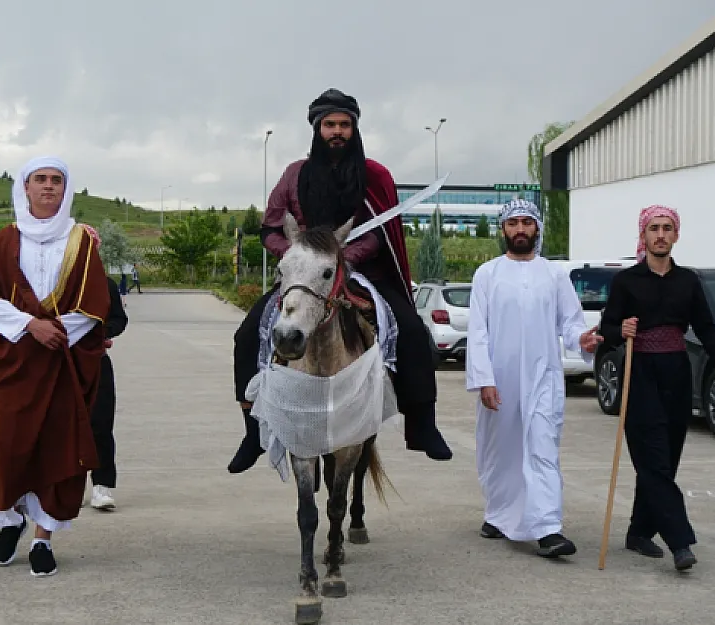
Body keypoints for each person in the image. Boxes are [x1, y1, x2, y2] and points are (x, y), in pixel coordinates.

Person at [227, 87, 452, 474]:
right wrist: (296, 256)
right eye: (329, 124)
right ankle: (252, 429)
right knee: (248, 334)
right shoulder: (294, 174)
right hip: (304, 272)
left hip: (361, 268)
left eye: (344, 125)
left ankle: (423, 424)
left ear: (355, 129)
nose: (337, 132)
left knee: (413, 330)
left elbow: (382, 234)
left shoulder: (375, 175)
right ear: (317, 129)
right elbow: (269, 229)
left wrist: (342, 258)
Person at [0, 156, 111, 577]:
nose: (48, 187)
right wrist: (31, 325)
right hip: (11, 362)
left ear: (65, 190)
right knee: (5, 446)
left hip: (61, 364)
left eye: (56, 180)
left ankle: (42, 538)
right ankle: (9, 519)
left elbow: (93, 303)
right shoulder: (2, 240)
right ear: (26, 187)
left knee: (56, 450)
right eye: (41, 180)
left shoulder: (81, 242)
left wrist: (57, 332)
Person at [598, 204, 715, 571]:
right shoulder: (627, 281)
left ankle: (639, 532)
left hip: (677, 371)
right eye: (653, 229)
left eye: (667, 228)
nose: (660, 235)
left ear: (676, 235)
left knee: (666, 459)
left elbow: (706, 327)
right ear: (643, 236)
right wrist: (620, 330)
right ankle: (680, 542)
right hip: (639, 372)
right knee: (653, 459)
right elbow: (606, 330)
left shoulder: (688, 280)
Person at [465, 199, 602, 558]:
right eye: (514, 223)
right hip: (500, 379)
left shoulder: (554, 274)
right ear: (504, 230)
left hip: (544, 377)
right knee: (501, 451)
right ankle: (498, 513)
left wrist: (582, 339)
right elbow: (478, 333)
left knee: (542, 447)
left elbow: (570, 323)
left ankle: (547, 528)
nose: (521, 229)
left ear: (537, 228)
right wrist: (484, 379)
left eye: (527, 223)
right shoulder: (487, 274)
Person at [87, 274, 128, 510]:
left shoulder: (103, 283)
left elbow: (118, 319)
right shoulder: (53, 279)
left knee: (100, 423)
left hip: (95, 360)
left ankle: (101, 486)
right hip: (58, 363)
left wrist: (104, 332)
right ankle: (64, 485)